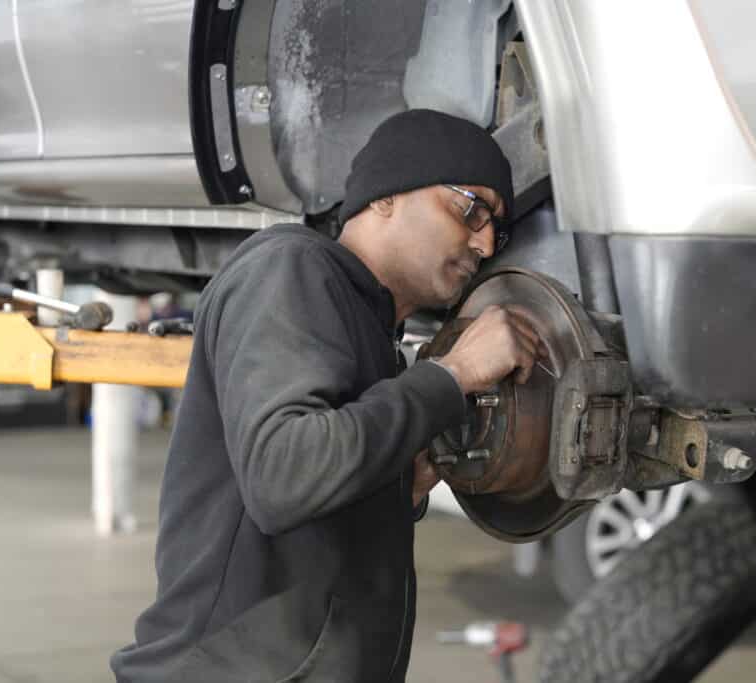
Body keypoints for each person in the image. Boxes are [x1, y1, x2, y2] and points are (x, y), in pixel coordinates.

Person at [111, 109, 544, 682]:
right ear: (387, 195)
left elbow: (310, 499)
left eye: (498, 228)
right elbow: (285, 473)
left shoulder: (371, 331)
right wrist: (453, 374)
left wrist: (393, 490)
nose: (485, 241)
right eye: (470, 207)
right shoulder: (290, 267)